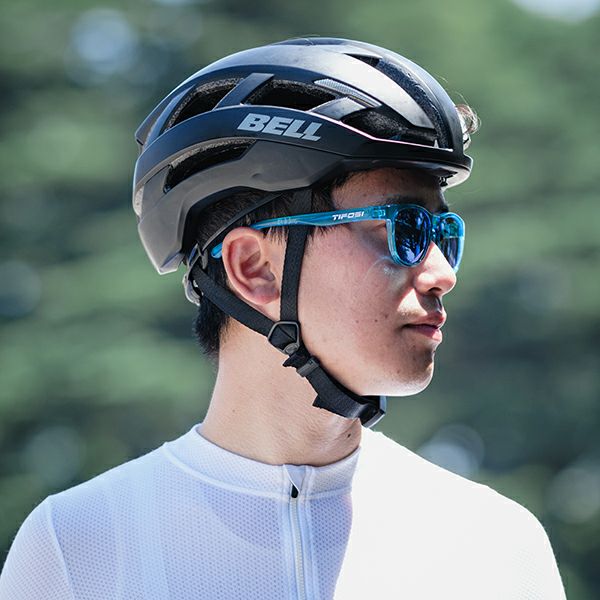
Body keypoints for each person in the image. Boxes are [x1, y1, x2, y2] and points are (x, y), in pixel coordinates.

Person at [0, 36, 566, 599]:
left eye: (444, 234)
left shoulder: (497, 545)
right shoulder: (75, 548)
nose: (443, 273)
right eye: (404, 229)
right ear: (255, 269)